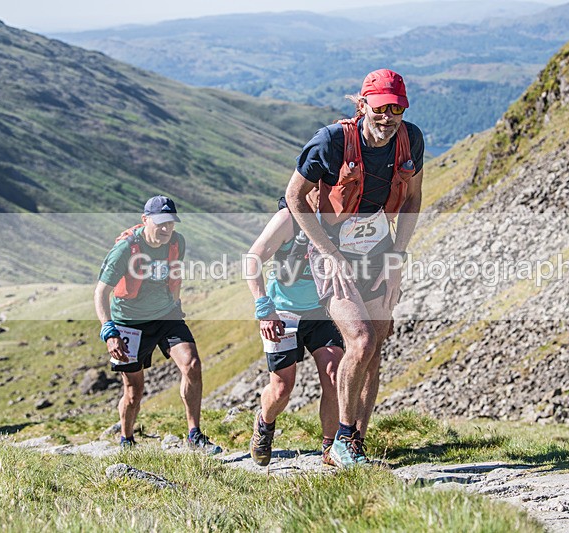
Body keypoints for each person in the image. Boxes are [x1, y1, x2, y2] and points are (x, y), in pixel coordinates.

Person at [285, 69, 424, 467]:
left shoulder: (410, 138)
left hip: (380, 251)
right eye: (381, 108)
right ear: (363, 105)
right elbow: (295, 197)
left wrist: (397, 256)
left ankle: (356, 445)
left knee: (374, 347)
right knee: (360, 339)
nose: (389, 117)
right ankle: (340, 441)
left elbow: (413, 198)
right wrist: (328, 253)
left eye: (397, 108)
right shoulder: (331, 141)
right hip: (332, 252)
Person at [94, 195, 222, 454]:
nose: (166, 229)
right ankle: (127, 439)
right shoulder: (125, 249)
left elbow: (174, 275)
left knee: (193, 365)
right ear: (145, 220)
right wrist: (110, 331)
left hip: (167, 317)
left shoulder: (177, 242)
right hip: (129, 323)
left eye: (171, 223)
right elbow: (100, 293)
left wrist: (176, 305)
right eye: (161, 223)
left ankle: (194, 434)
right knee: (134, 390)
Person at [244, 196, 344, 467]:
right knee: (281, 389)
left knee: (334, 376)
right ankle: (264, 423)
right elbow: (252, 260)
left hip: (322, 310)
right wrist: (264, 308)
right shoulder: (287, 218)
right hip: (282, 312)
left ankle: (329, 448)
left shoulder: (339, 214)